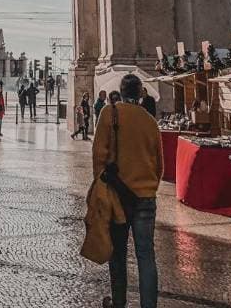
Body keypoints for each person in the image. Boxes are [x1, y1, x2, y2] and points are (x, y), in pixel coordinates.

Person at [92, 72, 162, 308]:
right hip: (145, 198)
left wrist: (100, 191)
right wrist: (148, 187)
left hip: (117, 197)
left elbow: (98, 157)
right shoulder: (151, 122)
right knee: (146, 257)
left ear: (120, 92)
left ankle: (119, 303)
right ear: (141, 93)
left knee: (118, 254)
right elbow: (159, 166)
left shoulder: (109, 113)